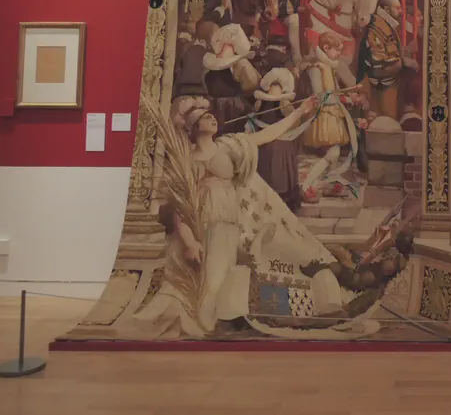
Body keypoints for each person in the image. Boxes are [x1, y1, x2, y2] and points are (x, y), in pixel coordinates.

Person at [129, 94, 340, 337]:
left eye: (212, 116)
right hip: (202, 223)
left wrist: (299, 112)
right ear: (195, 127)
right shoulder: (188, 160)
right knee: (206, 277)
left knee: (225, 272)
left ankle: (219, 319)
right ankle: (206, 322)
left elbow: (267, 135)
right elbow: (180, 207)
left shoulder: (229, 146)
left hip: (230, 220)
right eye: (207, 117)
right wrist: (189, 242)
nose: (213, 120)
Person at [358, 0, 417, 119]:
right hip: (381, 86)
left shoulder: (386, 25)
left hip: (389, 83)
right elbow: (377, 62)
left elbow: (391, 51)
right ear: (386, 9)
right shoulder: (377, 27)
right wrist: (403, 62)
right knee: (385, 119)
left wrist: (407, 50)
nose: (401, 11)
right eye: (397, 8)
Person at [301, 31, 358, 156]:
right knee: (325, 141)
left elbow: (335, 89)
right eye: (337, 50)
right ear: (326, 48)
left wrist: (343, 96)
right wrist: (341, 99)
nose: (339, 54)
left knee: (333, 145)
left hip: (332, 109)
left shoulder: (330, 66)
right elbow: (318, 93)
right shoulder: (316, 67)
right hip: (321, 111)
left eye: (340, 51)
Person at [253, 68, 301, 212]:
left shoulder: (285, 104)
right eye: (272, 87)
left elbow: (293, 123)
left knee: (280, 171)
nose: (273, 91)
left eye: (277, 87)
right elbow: (255, 120)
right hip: (264, 143)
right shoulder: (260, 103)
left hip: (281, 142)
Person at [203, 24, 260, 131]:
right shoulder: (212, 66)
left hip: (232, 108)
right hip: (221, 107)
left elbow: (251, 85)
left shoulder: (240, 64)